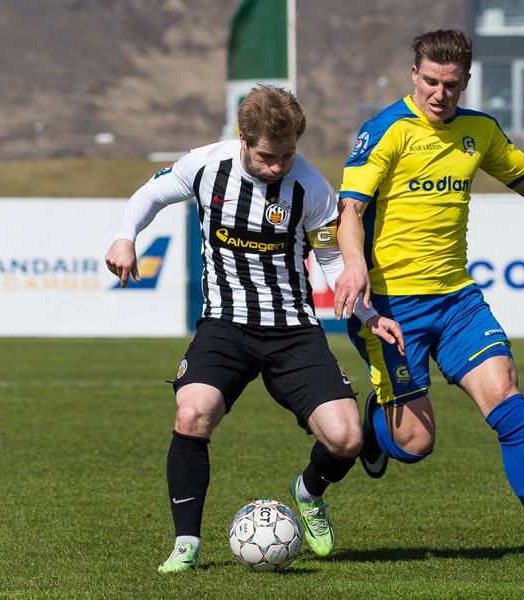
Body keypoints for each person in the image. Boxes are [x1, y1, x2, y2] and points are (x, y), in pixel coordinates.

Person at [332, 29, 524, 567]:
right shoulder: (386, 131)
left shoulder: (479, 130)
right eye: (431, 82)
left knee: (508, 399)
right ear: (414, 75)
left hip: (457, 301)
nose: (440, 94)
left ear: (465, 81)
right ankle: (374, 426)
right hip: (392, 307)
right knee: (415, 443)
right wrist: (353, 264)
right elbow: (350, 212)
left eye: (452, 85)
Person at [105, 85, 404, 573]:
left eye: (287, 155)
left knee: (348, 438)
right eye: (267, 156)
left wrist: (368, 315)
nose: (278, 166)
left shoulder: (311, 187)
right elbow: (151, 193)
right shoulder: (206, 165)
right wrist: (125, 236)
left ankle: (309, 492)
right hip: (225, 327)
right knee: (192, 414)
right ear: (242, 139)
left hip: (293, 330)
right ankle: (186, 545)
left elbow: (331, 259)